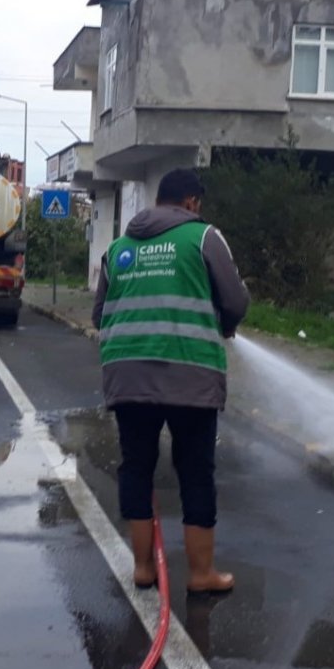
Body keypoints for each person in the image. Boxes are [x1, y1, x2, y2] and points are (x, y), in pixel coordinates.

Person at [92, 168, 249, 595]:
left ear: (158, 200)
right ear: (193, 202)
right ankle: (201, 575)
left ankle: (143, 569)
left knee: (136, 467)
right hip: (191, 374)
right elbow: (235, 300)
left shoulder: (119, 248)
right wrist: (227, 323)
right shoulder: (203, 238)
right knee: (196, 472)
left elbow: (99, 314)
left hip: (128, 375)